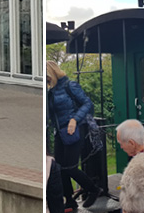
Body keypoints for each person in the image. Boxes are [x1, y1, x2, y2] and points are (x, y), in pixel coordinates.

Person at [46, 60, 101, 210]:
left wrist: (74, 119)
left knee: (70, 166)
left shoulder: (70, 86)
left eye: (47, 77)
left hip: (73, 129)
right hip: (59, 131)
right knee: (59, 168)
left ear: (52, 73)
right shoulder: (50, 92)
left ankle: (93, 189)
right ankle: (69, 199)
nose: (47, 80)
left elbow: (87, 103)